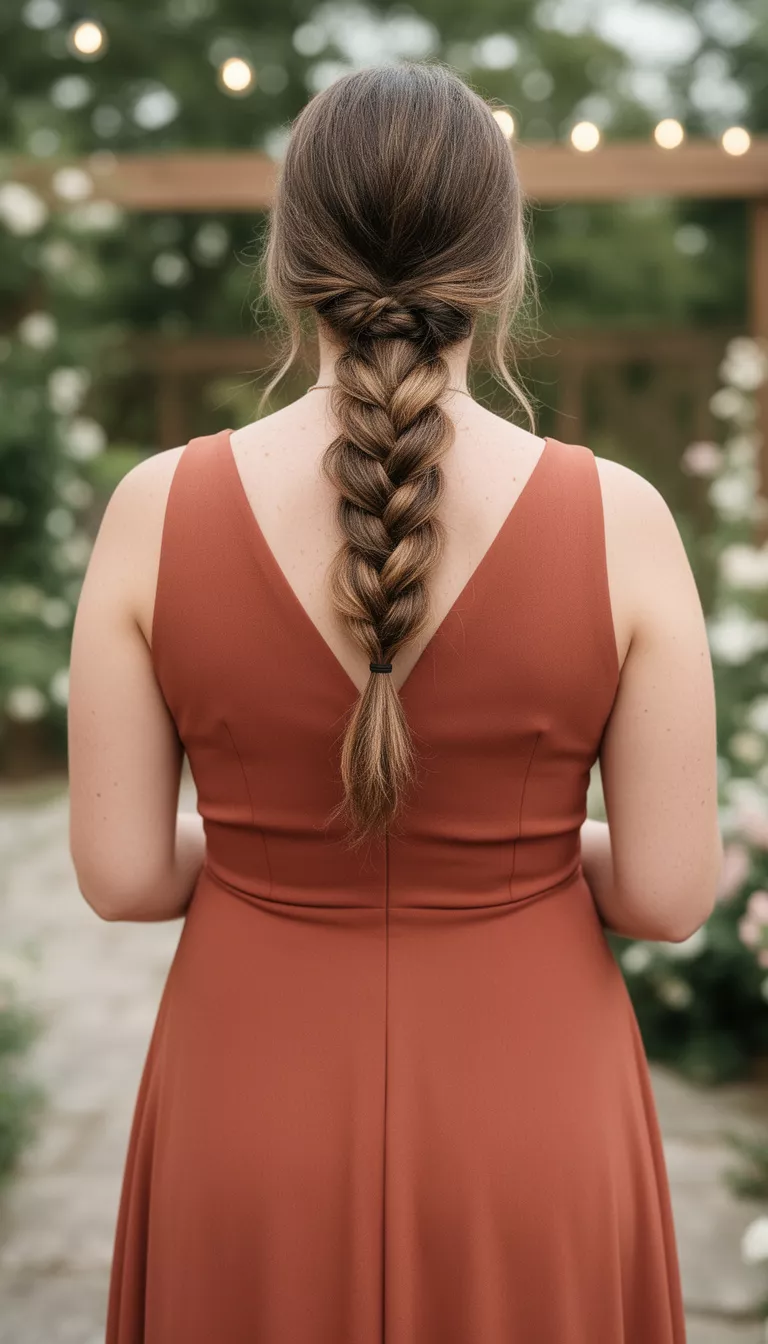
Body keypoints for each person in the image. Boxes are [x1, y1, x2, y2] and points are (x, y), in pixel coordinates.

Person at [68, 61, 722, 1344]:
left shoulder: (155, 512)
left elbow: (123, 873)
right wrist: (515, 852)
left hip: (243, 1114)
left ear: (288, 259)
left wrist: (280, 845)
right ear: (503, 263)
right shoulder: (621, 524)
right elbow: (667, 892)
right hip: (535, 1122)